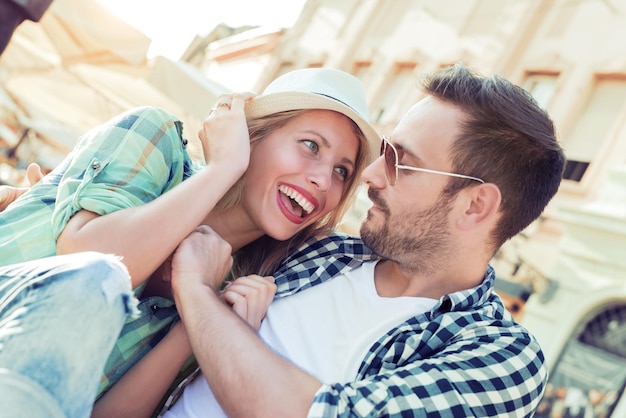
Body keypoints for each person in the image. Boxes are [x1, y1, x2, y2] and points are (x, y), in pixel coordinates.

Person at [145, 62, 564, 417]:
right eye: (384, 152)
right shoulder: (316, 250)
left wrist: (197, 294)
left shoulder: (500, 357)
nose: (370, 175)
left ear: (474, 206)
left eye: (403, 162)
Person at [0, 68, 380, 417]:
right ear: (253, 135)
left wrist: (193, 325)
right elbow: (88, 263)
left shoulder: (228, 294)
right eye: (311, 146)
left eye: (342, 171)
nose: (324, 181)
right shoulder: (155, 139)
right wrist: (222, 168)